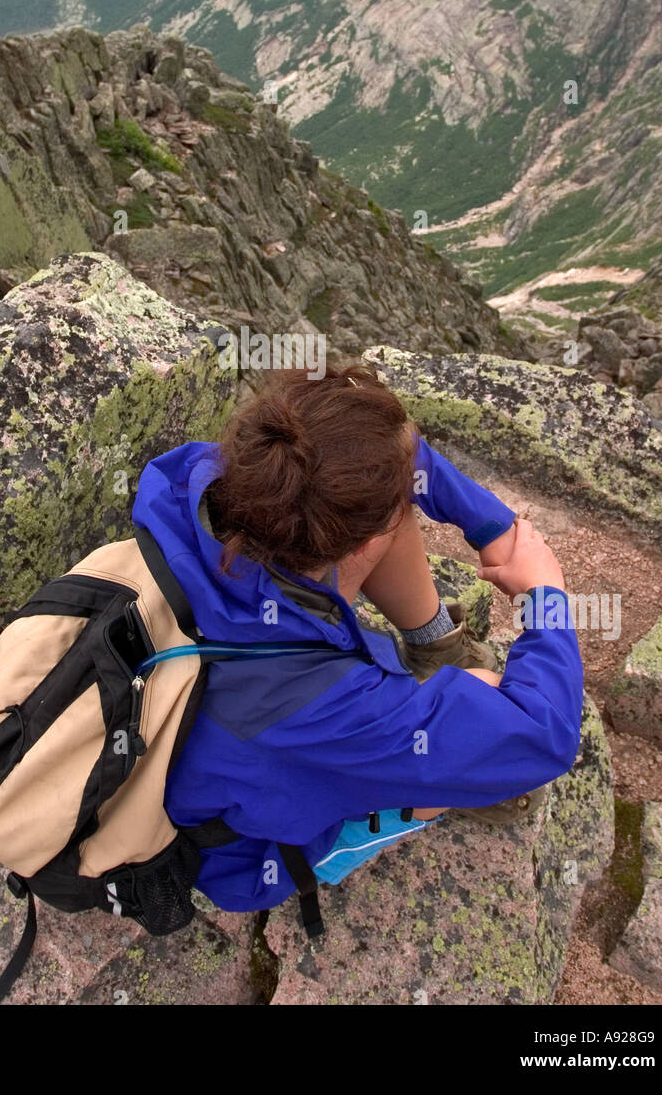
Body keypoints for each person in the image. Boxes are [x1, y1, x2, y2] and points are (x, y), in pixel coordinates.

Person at [132, 363, 583, 913]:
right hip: (246, 855)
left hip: (228, 657)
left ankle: (439, 649)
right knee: (485, 690)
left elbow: (383, 460)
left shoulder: (217, 478)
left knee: (377, 502)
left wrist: (494, 527)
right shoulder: (323, 704)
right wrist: (546, 594)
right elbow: (542, 736)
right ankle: (446, 778)